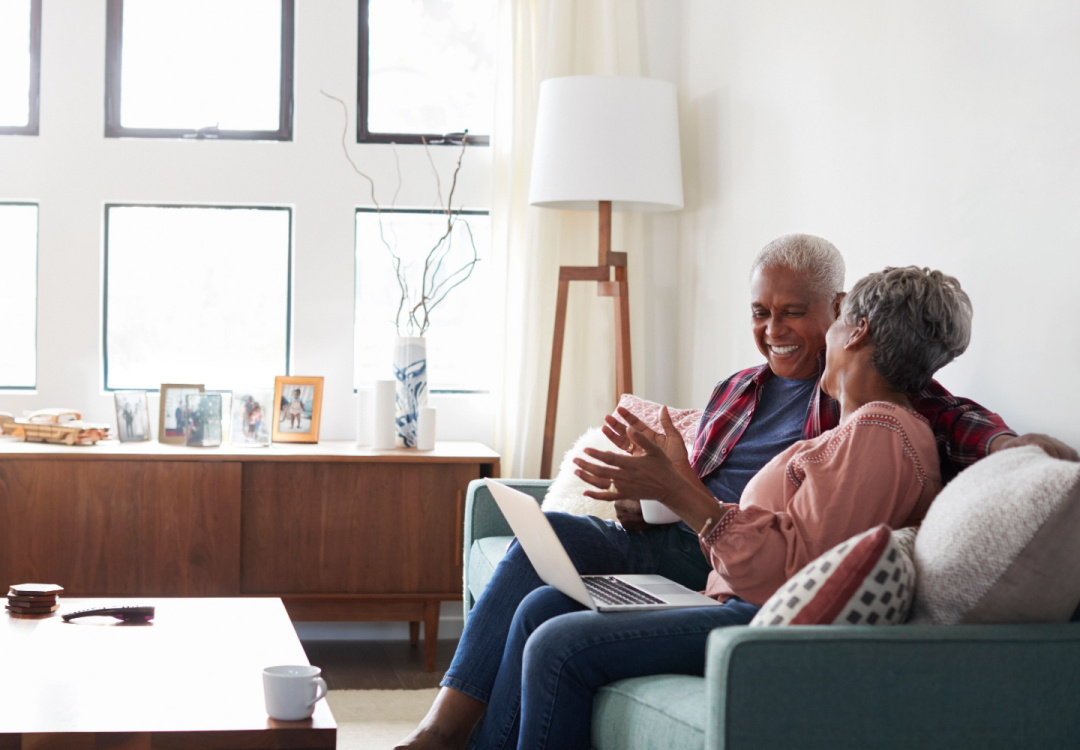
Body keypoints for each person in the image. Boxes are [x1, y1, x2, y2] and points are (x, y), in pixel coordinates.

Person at [396, 235, 1077, 750]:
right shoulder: (762, 397)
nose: (775, 328)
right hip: (710, 559)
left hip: (743, 592)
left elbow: (790, 562)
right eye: (761, 312)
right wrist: (646, 490)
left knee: (558, 641)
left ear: (851, 323)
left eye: (800, 314)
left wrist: (1012, 449)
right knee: (542, 592)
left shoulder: (879, 428)